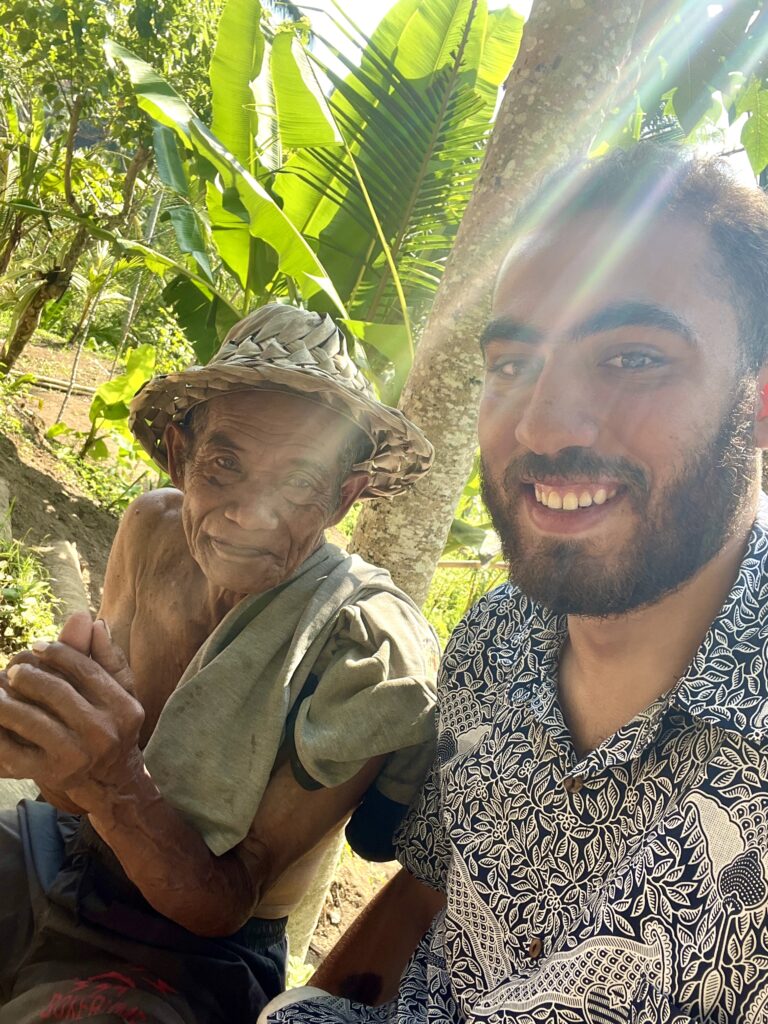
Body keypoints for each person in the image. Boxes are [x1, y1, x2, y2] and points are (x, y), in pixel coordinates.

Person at [261, 146, 768, 1024]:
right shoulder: (496, 637)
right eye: (512, 364)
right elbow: (432, 894)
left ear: (757, 403)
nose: (540, 425)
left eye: (633, 358)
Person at [0, 304, 440, 1024]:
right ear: (179, 455)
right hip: (69, 853)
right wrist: (52, 734)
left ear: (343, 497)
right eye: (225, 465)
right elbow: (72, 799)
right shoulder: (151, 530)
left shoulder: (365, 651)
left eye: (300, 483)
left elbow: (225, 902)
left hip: (197, 952)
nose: (251, 515)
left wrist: (111, 779)